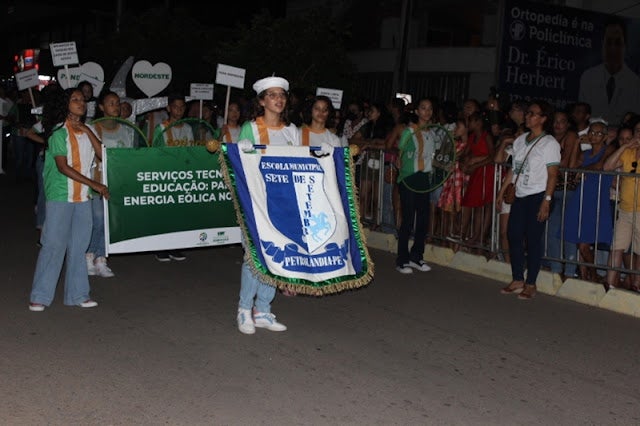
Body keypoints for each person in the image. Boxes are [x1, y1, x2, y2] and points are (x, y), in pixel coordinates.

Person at [28, 87, 109, 311]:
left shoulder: (89, 130)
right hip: (61, 195)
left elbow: (103, 155)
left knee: (79, 247)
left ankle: (78, 294)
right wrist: (95, 184)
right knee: (53, 245)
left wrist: (87, 130)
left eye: (82, 100)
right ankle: (40, 295)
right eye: (75, 99)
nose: (81, 103)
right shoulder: (58, 133)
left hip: (82, 197)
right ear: (65, 105)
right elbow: (63, 167)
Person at [235, 75, 301, 335]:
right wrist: (241, 152)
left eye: (282, 95)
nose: (278, 99)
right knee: (254, 256)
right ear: (262, 101)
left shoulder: (291, 131)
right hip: (256, 201)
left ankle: (262, 309)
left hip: (283, 203)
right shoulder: (250, 129)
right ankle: (244, 309)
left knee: (276, 254)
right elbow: (239, 167)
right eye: (272, 95)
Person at [498, 100, 561, 300]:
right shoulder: (520, 140)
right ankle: (518, 278)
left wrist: (546, 200)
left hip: (538, 195)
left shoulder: (549, 143)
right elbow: (513, 169)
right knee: (514, 234)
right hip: (520, 194)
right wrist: (501, 192)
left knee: (533, 239)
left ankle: (531, 282)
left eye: (533, 114)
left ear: (543, 118)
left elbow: (553, 174)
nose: (528, 116)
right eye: (528, 113)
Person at [86, 90, 135, 277]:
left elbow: (128, 157)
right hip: (96, 183)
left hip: (116, 183)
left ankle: (101, 259)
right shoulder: (92, 128)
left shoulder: (126, 129)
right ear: (101, 107)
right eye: (111, 103)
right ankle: (88, 255)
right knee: (98, 220)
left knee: (108, 223)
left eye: (117, 103)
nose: (116, 106)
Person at [562, 118, 615, 283]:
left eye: (598, 133)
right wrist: (577, 143)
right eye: (591, 132)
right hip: (582, 198)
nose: (593, 136)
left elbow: (600, 165)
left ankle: (594, 275)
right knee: (580, 241)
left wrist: (583, 169)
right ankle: (586, 276)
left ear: (605, 136)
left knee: (584, 245)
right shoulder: (586, 153)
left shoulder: (609, 149)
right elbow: (572, 167)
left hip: (596, 200)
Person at [395, 96, 441, 274]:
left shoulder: (433, 133)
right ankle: (402, 260)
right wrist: (400, 167)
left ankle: (416, 256)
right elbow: (400, 154)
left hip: (424, 179)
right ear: (416, 111)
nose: (427, 111)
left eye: (429, 108)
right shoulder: (409, 131)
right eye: (423, 108)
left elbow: (433, 158)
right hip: (409, 178)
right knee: (407, 219)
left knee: (423, 219)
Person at [151, 93, 193, 262]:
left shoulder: (188, 128)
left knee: (179, 214)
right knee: (164, 214)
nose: (179, 110)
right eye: (175, 107)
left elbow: (191, 151)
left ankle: (175, 246)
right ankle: (160, 248)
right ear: (169, 108)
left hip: (182, 176)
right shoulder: (161, 128)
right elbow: (155, 153)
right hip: (166, 176)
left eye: (182, 107)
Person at [578, 16, 640, 126]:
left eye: (618, 43)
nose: (613, 48)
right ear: (602, 44)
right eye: (609, 42)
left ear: (625, 46)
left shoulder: (636, 84)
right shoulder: (588, 78)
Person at [603, 126, 640, 291]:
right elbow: (607, 167)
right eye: (637, 131)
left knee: (639, 252)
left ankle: (637, 285)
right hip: (625, 209)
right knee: (616, 247)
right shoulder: (628, 153)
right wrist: (625, 146)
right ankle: (610, 285)